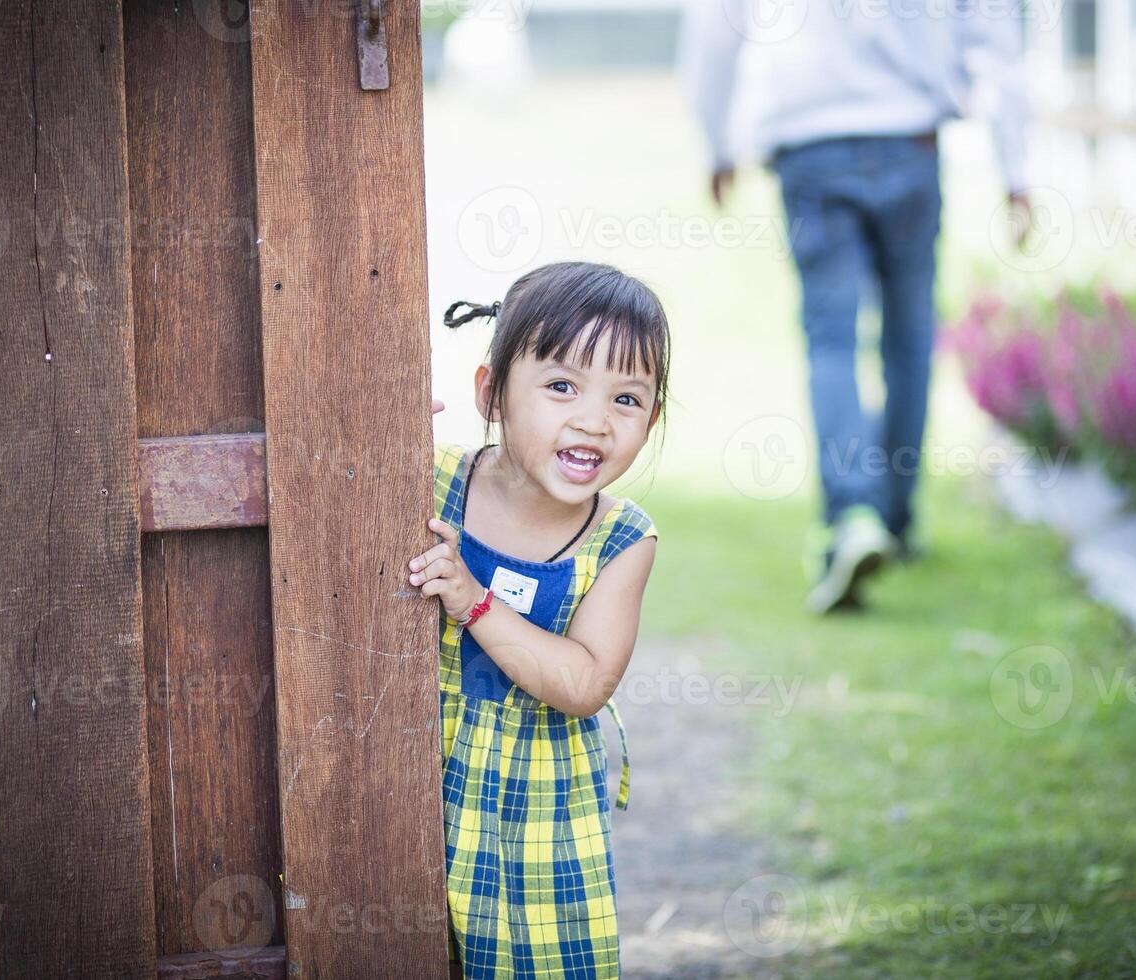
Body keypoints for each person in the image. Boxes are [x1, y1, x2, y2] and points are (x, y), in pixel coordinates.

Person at [678, 0, 1033, 612]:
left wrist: (718, 145)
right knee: (908, 340)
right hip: (911, 139)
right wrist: (1016, 169)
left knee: (832, 341)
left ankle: (852, 516)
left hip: (810, 145)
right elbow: (996, 36)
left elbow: (713, 28)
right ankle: (894, 519)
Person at [409, 261, 669, 978]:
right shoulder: (427, 479)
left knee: (542, 961)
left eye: (627, 398)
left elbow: (586, 681)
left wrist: (475, 603)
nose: (593, 420)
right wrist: (372, 432)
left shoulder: (622, 540)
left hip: (540, 807)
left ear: (653, 419)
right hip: (408, 773)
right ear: (492, 394)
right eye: (561, 386)